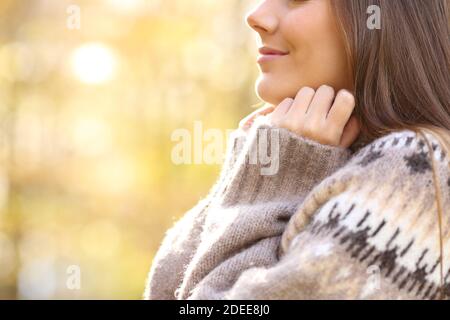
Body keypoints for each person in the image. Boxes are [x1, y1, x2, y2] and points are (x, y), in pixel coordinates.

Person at [144, 0, 450, 299]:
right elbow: (168, 290)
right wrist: (259, 167)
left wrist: (267, 186)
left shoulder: (415, 171)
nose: (257, 16)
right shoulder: (339, 159)